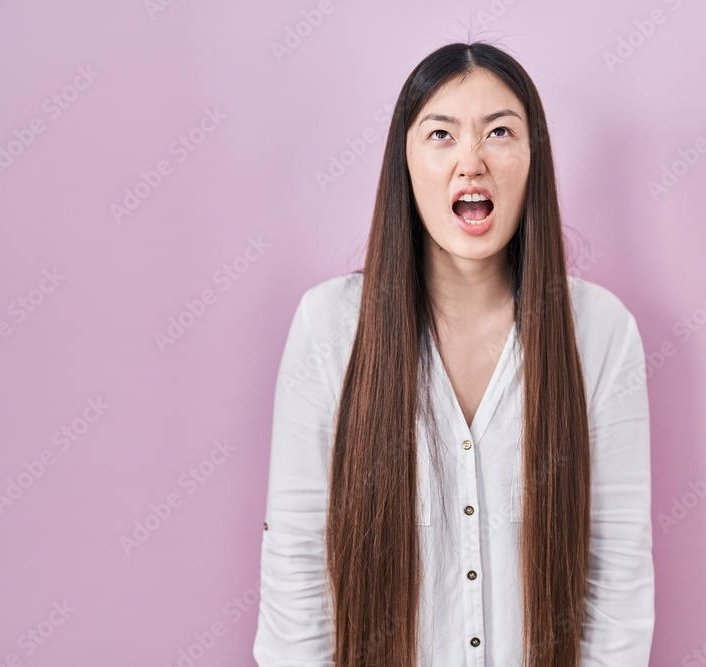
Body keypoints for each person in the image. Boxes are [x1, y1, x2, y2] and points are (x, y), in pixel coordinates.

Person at [253, 40, 654, 666]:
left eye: (499, 132)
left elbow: (618, 575)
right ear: (405, 162)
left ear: (533, 159)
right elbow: (297, 566)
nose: (472, 161)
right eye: (441, 134)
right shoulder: (330, 327)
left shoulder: (600, 333)